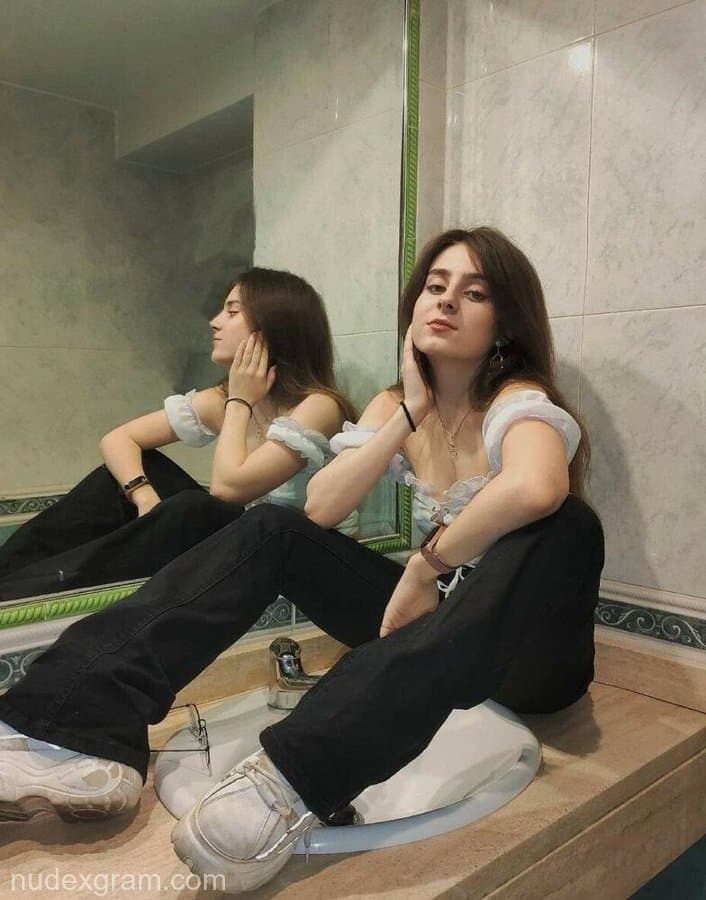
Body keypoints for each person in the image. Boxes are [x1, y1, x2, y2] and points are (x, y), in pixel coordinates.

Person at [0, 228, 604, 894]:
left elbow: (536, 487)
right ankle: (69, 722)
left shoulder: (516, 401)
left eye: (476, 293)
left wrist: (424, 566)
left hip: (530, 662)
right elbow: (320, 506)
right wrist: (409, 411)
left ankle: (293, 779)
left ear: (505, 324)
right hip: (432, 636)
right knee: (275, 528)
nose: (447, 301)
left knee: (567, 524)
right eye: (436, 286)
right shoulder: (398, 405)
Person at [0, 267, 357, 602]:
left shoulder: (318, 407)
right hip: (241, 549)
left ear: (270, 329)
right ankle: (8, 576)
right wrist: (143, 497)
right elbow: (118, 439)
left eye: (232, 312)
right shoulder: (222, 398)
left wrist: (239, 400)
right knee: (133, 473)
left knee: (196, 509)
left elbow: (228, 490)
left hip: (295, 561)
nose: (215, 322)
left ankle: (26, 591)